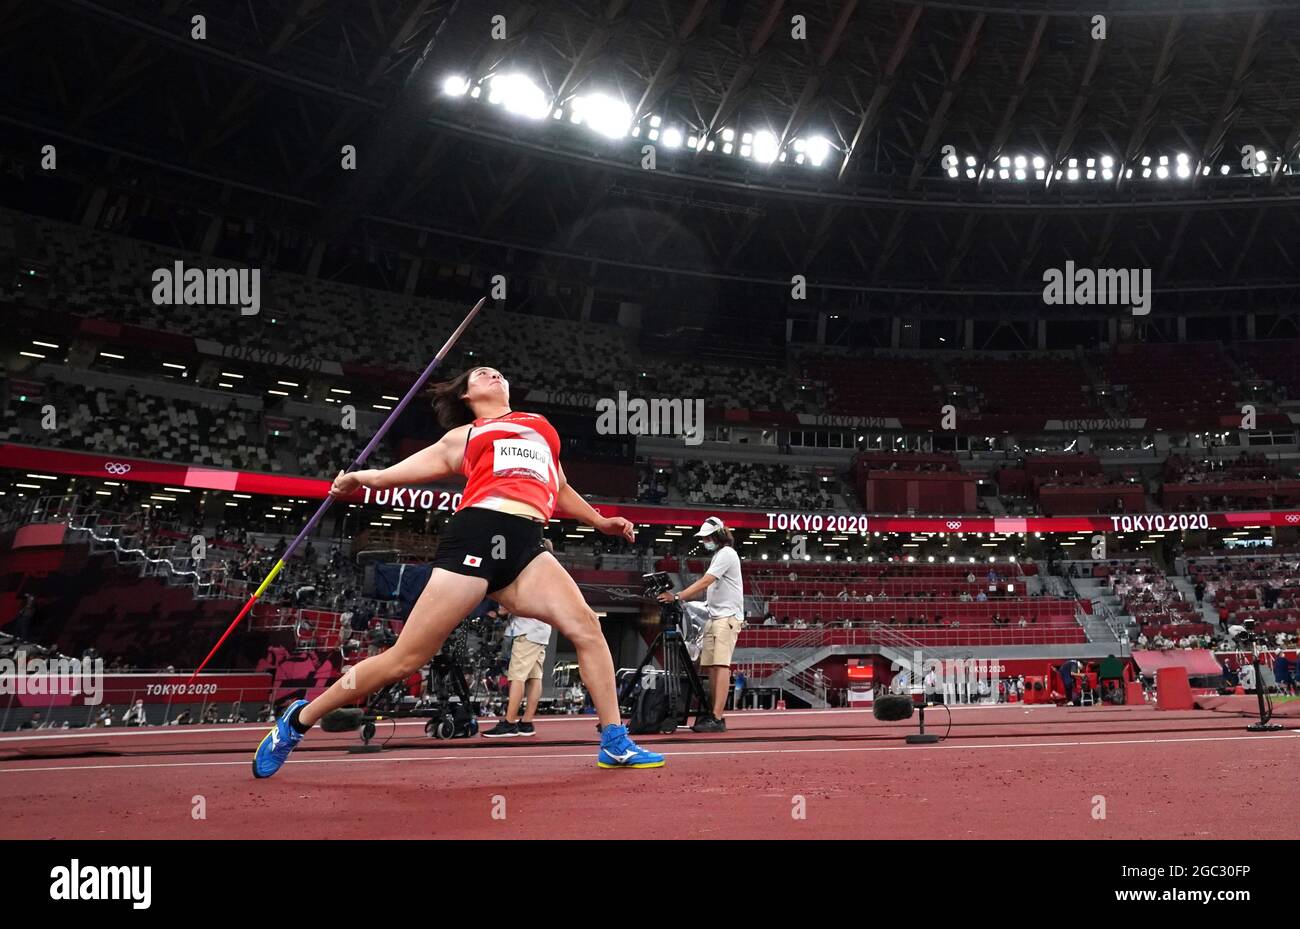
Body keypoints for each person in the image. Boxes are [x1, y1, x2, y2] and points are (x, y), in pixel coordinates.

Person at [253, 366, 663, 776]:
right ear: (466, 395)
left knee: (588, 627)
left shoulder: (540, 427)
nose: (495, 376)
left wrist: (599, 520)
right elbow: (393, 474)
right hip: (476, 536)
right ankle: (297, 721)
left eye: (499, 373)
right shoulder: (462, 437)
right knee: (405, 659)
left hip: (528, 545)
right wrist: (359, 479)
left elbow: (558, 486)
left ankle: (613, 740)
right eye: (483, 374)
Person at [658, 516, 745, 733]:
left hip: (726, 617)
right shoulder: (720, 554)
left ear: (717, 536)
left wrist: (678, 597)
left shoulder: (726, 553)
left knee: (721, 666)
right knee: (713, 667)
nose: (705, 540)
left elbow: (707, 581)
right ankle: (712, 714)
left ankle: (716, 716)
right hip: (716, 616)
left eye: (707, 537)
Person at [482, 542, 558, 738]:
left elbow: (516, 601)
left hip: (527, 629)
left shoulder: (531, 572)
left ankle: (509, 722)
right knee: (535, 677)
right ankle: (527, 723)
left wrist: (500, 611)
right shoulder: (551, 573)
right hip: (541, 629)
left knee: (517, 677)